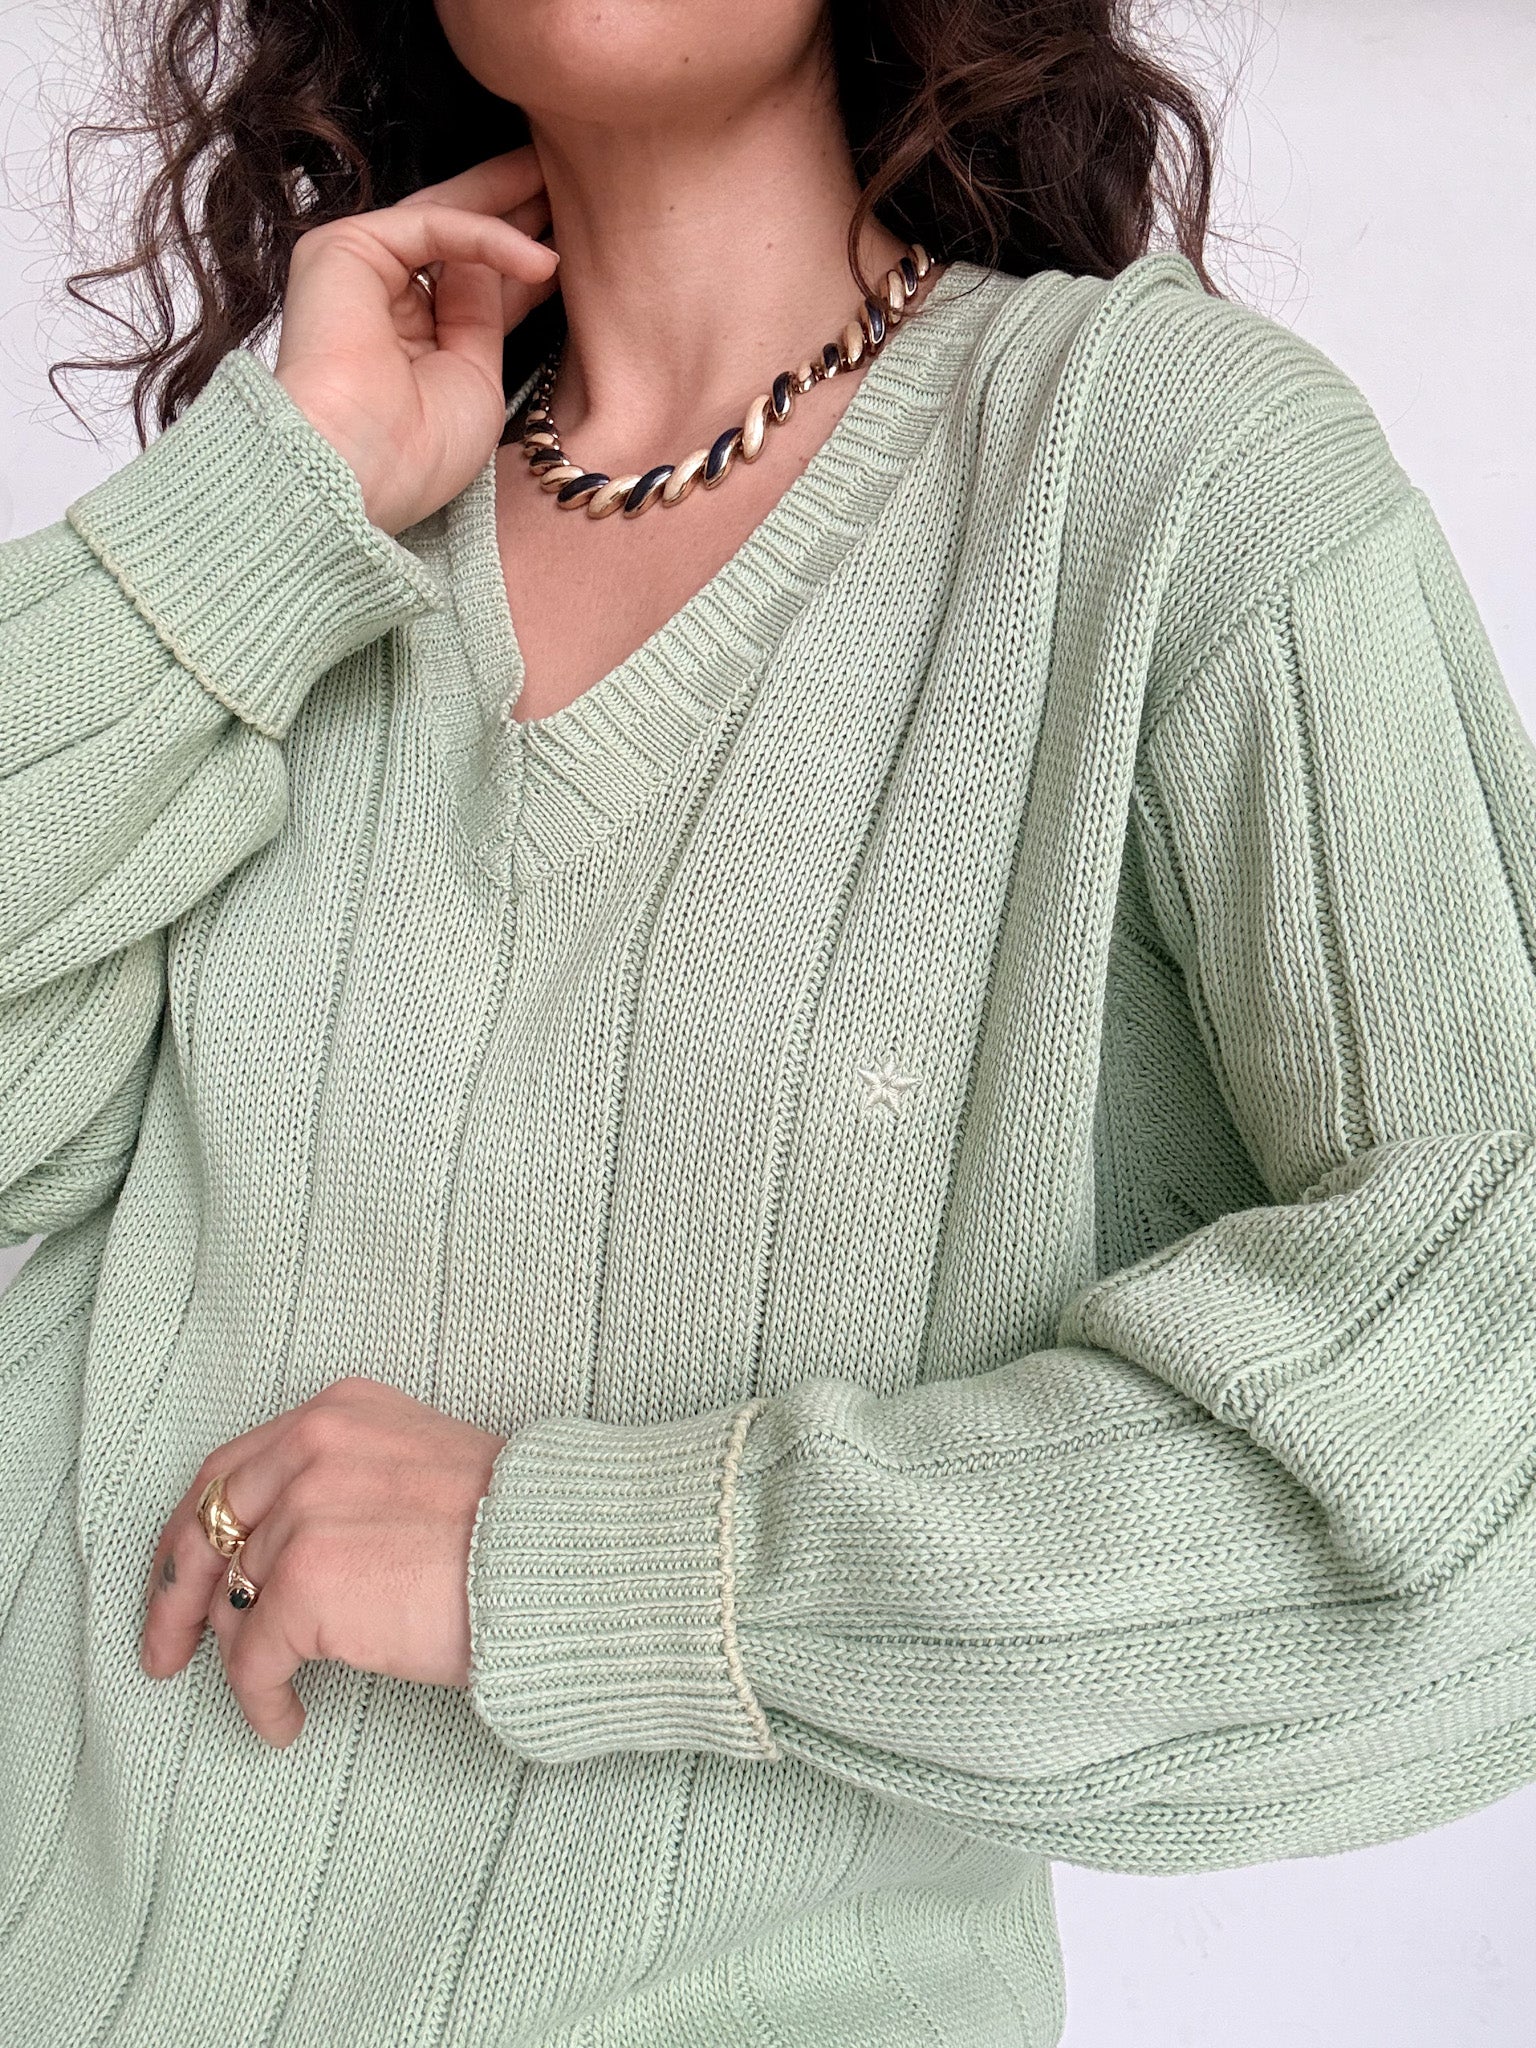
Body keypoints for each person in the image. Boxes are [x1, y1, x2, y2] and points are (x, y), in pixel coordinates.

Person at [3, 0, 1534, 2042]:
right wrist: (265, 523)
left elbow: (1495, 1443)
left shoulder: (1162, 481)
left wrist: (601, 1564)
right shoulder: (329, 514)